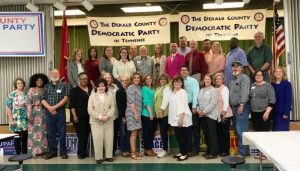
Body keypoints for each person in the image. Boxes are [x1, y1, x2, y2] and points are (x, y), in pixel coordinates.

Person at [42, 69, 70, 160]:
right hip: (49, 113)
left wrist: (55, 107)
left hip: (60, 112)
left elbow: (65, 98)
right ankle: (52, 152)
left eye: (56, 73)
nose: (54, 74)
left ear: (59, 74)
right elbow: (42, 99)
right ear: (50, 74)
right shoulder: (46, 86)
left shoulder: (64, 85)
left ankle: (63, 152)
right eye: (53, 73)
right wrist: (50, 108)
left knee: (62, 133)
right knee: (50, 133)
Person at [88, 78, 115, 164]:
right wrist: (99, 116)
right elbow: (90, 109)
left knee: (109, 139)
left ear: (105, 86)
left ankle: (108, 156)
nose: (101, 88)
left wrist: (107, 116)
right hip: (96, 121)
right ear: (96, 87)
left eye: (103, 86)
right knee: (97, 139)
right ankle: (98, 157)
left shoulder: (110, 95)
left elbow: (113, 107)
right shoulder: (92, 96)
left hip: (108, 120)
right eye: (99, 86)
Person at [228, 61, 250, 157]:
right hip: (233, 108)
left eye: (237, 66)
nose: (235, 68)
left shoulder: (244, 78)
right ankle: (244, 150)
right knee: (237, 131)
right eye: (233, 67)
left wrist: (241, 104)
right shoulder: (232, 79)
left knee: (241, 131)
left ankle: (243, 152)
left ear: (242, 68)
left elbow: (245, 92)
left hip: (241, 107)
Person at [169, 76, 192, 161]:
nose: (177, 83)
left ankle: (185, 154)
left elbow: (183, 105)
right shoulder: (173, 91)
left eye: (179, 82)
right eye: (175, 82)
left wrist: (181, 118)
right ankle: (182, 151)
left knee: (182, 136)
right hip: (174, 118)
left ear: (182, 83)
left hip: (181, 117)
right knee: (178, 136)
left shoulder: (182, 92)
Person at [69, 73, 91, 159]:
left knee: (86, 135)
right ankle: (80, 154)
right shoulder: (74, 90)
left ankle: (84, 152)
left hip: (89, 117)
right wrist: (74, 116)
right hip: (78, 117)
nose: (84, 80)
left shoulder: (91, 89)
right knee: (81, 136)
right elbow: (72, 105)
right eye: (82, 79)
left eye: (85, 78)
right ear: (79, 80)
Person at [27, 74, 49, 157]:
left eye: (41, 80)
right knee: (33, 133)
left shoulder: (45, 89)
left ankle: (43, 151)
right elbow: (28, 103)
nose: (39, 81)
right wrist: (29, 115)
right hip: (34, 113)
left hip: (44, 113)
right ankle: (34, 152)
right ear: (34, 81)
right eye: (37, 80)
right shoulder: (31, 90)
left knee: (43, 132)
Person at [179, 65, 200, 157]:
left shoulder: (193, 81)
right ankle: (188, 149)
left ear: (188, 72)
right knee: (186, 129)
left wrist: (194, 106)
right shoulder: (178, 81)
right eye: (182, 70)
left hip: (191, 105)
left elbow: (196, 94)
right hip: (182, 107)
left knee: (195, 128)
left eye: (185, 70)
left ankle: (195, 150)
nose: (183, 72)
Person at [197, 74, 219, 159]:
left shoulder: (213, 90)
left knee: (212, 134)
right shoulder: (201, 90)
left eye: (209, 79)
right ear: (203, 80)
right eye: (206, 79)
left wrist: (204, 112)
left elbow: (213, 103)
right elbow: (198, 101)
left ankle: (214, 153)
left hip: (211, 115)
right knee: (206, 134)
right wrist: (199, 110)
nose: (207, 81)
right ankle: (209, 151)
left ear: (211, 81)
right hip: (202, 116)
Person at [6, 78, 28, 155]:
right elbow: (8, 107)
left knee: (25, 136)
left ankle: (25, 153)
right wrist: (11, 119)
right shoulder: (12, 94)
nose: (20, 84)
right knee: (17, 136)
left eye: (21, 83)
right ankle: (18, 154)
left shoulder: (26, 94)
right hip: (15, 119)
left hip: (25, 118)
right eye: (18, 83)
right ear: (16, 84)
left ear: (24, 84)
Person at [213, 72, 232, 157]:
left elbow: (226, 102)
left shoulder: (224, 89)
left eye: (219, 79)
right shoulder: (213, 89)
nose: (218, 80)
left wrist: (223, 113)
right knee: (219, 133)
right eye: (216, 79)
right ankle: (220, 150)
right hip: (217, 115)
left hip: (225, 114)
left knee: (224, 133)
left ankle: (226, 151)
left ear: (222, 80)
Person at [125, 72, 143, 160]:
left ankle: (135, 150)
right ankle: (133, 152)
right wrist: (135, 113)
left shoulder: (139, 87)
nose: (137, 79)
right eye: (135, 77)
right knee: (133, 132)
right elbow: (131, 102)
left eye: (138, 77)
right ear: (132, 79)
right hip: (132, 112)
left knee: (136, 132)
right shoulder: (131, 88)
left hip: (138, 112)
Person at [154, 74, 172, 158]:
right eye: (161, 79)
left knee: (163, 131)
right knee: (162, 131)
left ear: (167, 80)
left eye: (164, 79)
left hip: (164, 113)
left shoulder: (167, 88)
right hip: (158, 114)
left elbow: (166, 99)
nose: (162, 81)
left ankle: (165, 150)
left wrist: (161, 110)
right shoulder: (158, 88)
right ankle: (164, 149)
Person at [103, 72, 119, 156]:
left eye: (109, 78)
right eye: (105, 78)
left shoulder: (115, 87)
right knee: (106, 135)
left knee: (114, 134)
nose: (107, 79)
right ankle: (105, 151)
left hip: (115, 115)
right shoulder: (100, 88)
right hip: (105, 116)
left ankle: (112, 152)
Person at [141, 74, 157, 156]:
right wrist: (150, 113)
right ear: (145, 81)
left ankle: (149, 148)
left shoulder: (154, 88)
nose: (148, 80)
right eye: (146, 79)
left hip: (154, 114)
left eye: (150, 78)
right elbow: (146, 102)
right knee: (147, 132)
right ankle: (147, 149)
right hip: (147, 114)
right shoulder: (144, 88)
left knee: (152, 132)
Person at [116, 75, 131, 157]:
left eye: (126, 80)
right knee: (123, 133)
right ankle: (123, 150)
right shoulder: (119, 92)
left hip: (130, 116)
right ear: (120, 82)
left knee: (129, 133)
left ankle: (128, 149)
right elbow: (119, 106)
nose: (124, 82)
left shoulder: (130, 90)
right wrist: (123, 117)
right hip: (123, 117)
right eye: (122, 81)